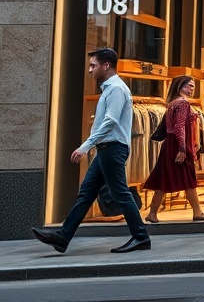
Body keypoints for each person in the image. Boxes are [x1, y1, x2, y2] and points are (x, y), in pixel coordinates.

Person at [30, 48, 151, 253]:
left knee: (120, 193)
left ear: (106, 65)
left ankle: (141, 237)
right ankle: (62, 237)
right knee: (86, 193)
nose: (90, 70)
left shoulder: (116, 89)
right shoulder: (109, 89)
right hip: (106, 149)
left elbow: (110, 122)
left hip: (113, 149)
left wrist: (85, 146)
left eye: (93, 65)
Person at [142, 76, 204, 223]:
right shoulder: (182, 104)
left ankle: (153, 213)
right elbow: (179, 127)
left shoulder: (172, 103)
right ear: (180, 87)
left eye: (193, 86)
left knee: (164, 178)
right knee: (187, 178)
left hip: (170, 144)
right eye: (189, 86)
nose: (192, 89)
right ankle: (197, 212)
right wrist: (183, 148)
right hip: (177, 145)